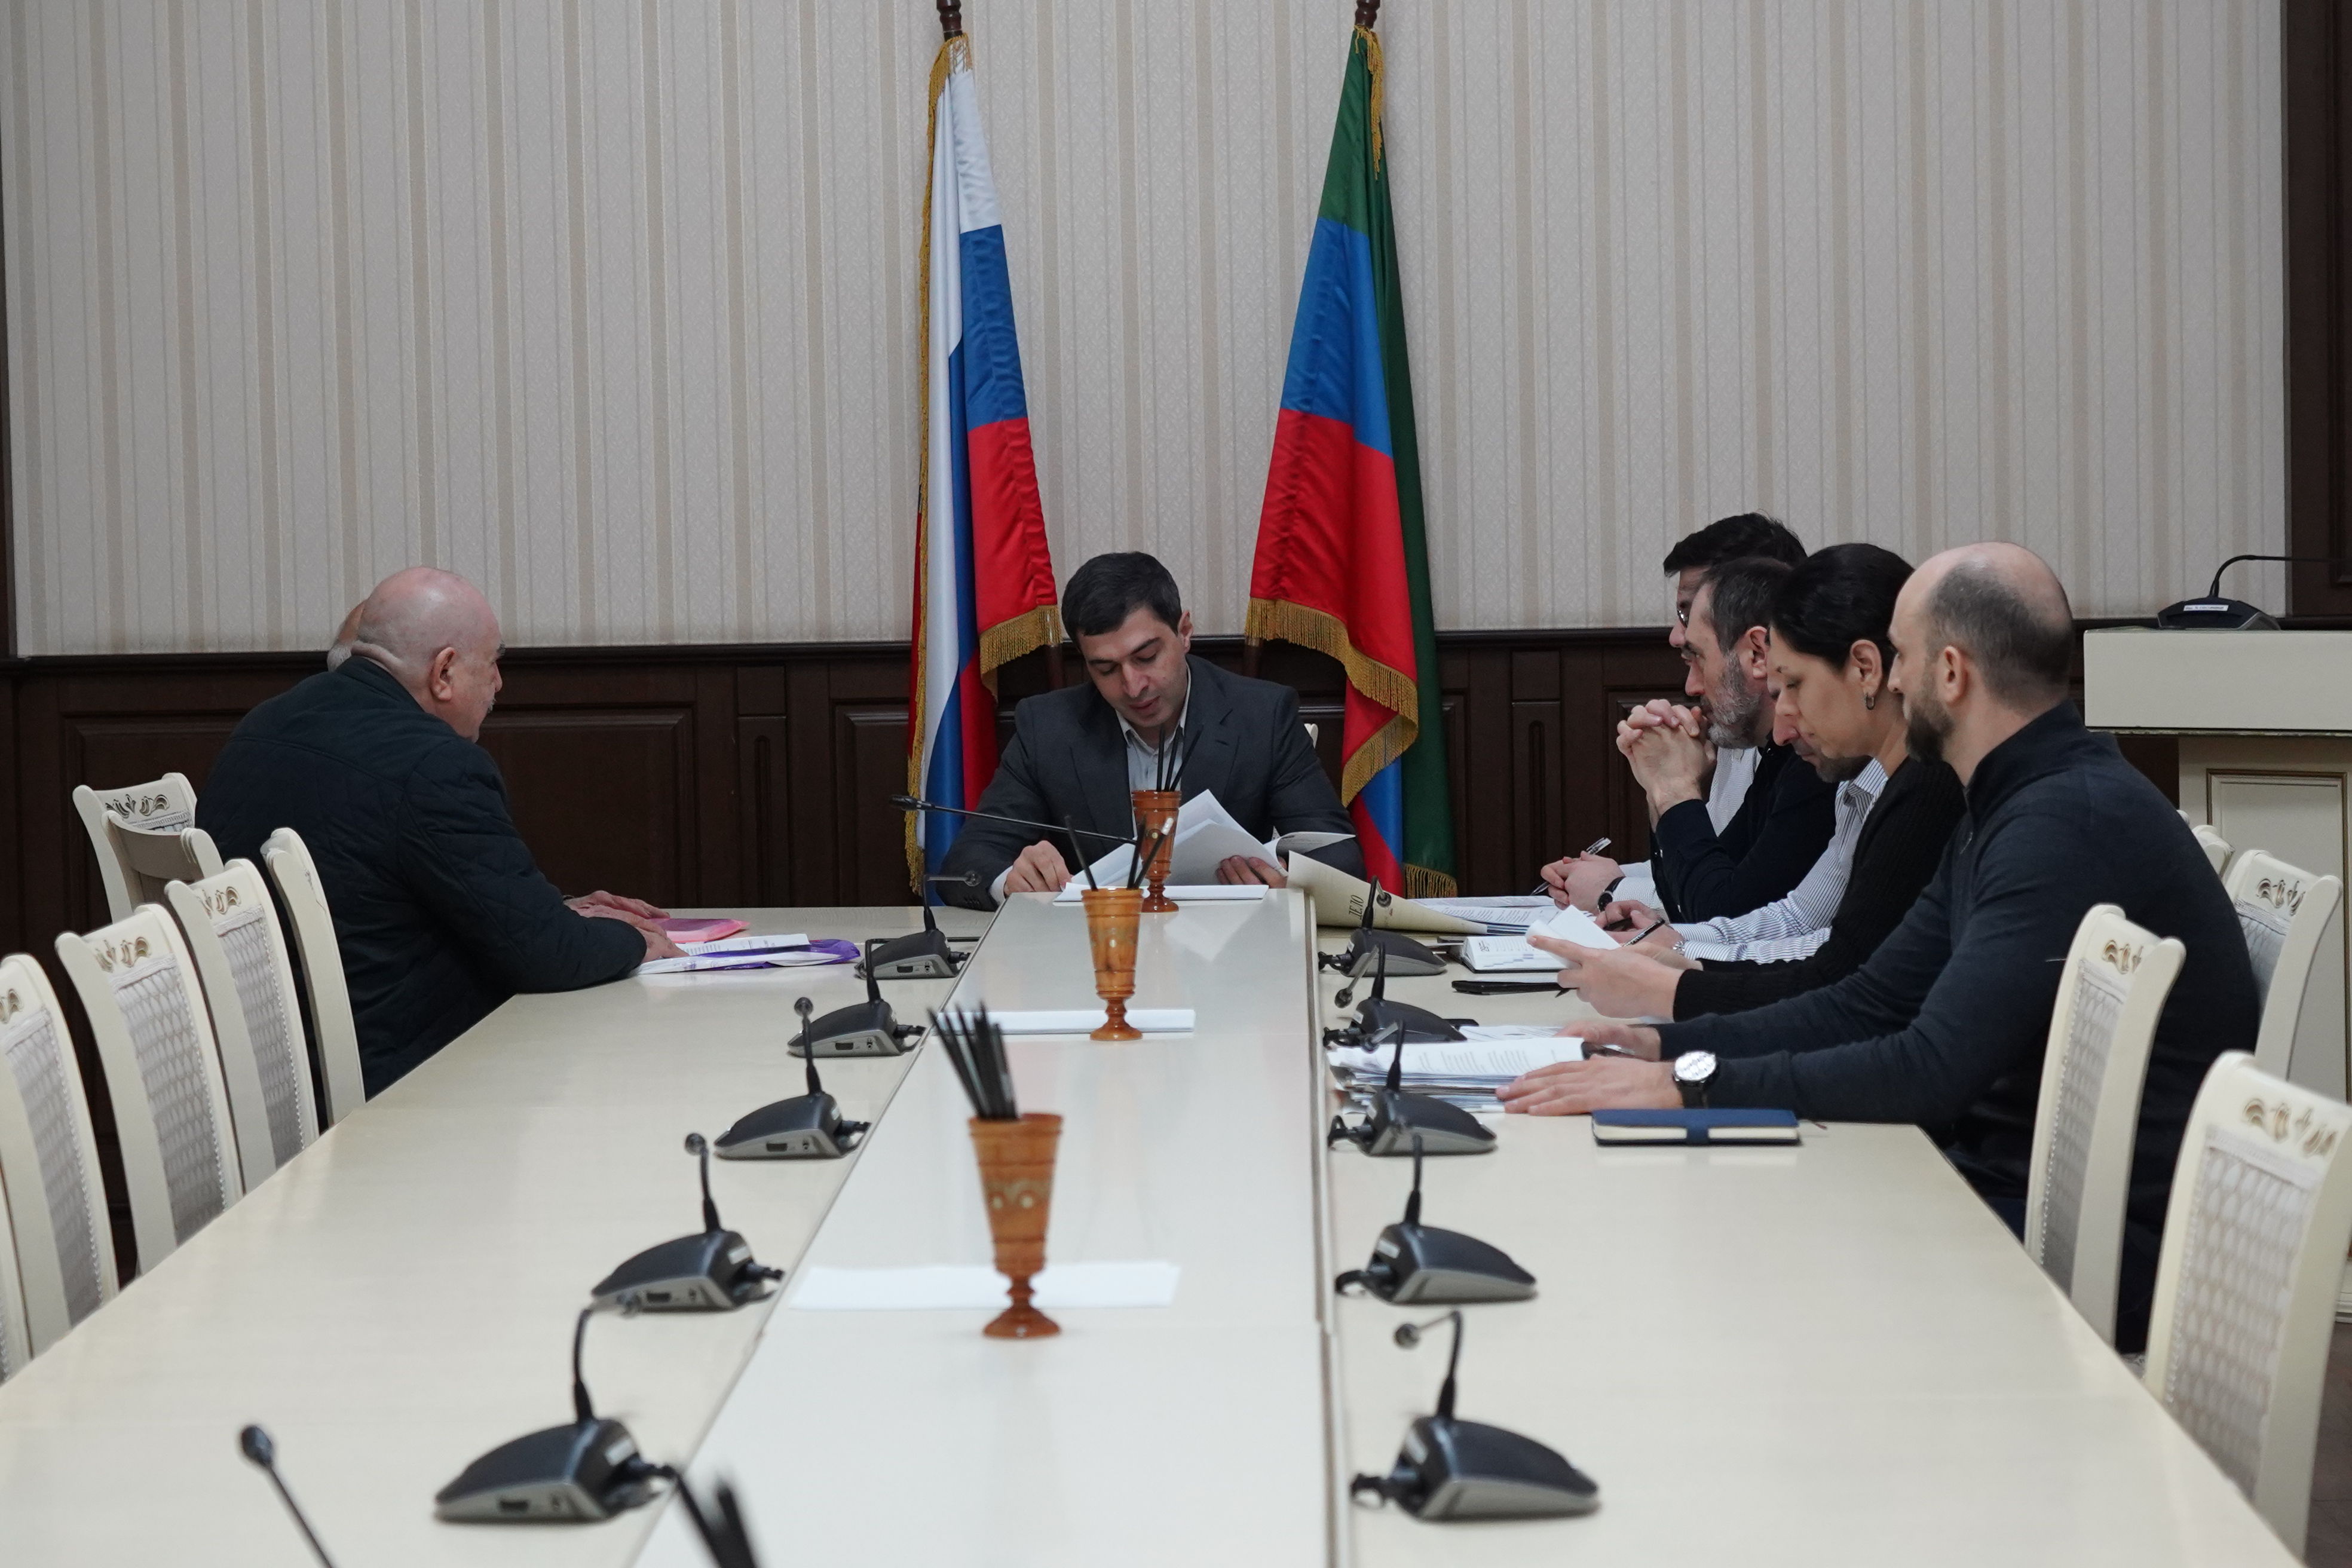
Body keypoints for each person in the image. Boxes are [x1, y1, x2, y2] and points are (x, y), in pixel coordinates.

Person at [1497, 543, 2258, 1353]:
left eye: (1901, 656)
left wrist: (1684, 1088)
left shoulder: (2058, 822)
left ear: (1951, 674)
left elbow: (1929, 1066)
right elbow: (1869, 1000)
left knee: (1719, 1248)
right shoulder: (2012, 800)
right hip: (2009, 1193)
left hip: (2081, 1249)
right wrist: (1664, 1048)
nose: (1889, 679)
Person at [199, 568, 682, 1097]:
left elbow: (395, 894)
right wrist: (633, 940)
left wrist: (553, 914)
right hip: (403, 1082)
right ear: (444, 671)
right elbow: (545, 957)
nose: (499, 684)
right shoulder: (434, 763)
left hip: (272, 1075)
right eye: (493, 663)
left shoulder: (262, 725)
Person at [1535, 543, 1965, 1021]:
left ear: (1867, 669)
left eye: (1793, 686)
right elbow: (1802, 922)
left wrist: (1678, 988)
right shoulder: (1858, 780)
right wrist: (1675, 947)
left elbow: (1842, 975)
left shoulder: (1926, 788)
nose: (1782, 727)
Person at [935, 552, 1364, 906]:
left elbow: (1340, 853)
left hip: (1229, 949)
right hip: (1091, 954)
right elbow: (965, 863)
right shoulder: (1048, 727)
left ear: (1184, 632)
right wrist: (1010, 881)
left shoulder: (1262, 715)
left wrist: (1285, 882)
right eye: (1106, 669)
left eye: (1146, 657)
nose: (1133, 686)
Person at [1542, 512, 1806, 910]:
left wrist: (1613, 890)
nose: (1675, 635)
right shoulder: (1752, 732)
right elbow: (1711, 876)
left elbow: (1727, 905)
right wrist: (1661, 786)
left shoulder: (1813, 756)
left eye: (1692, 611)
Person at [1625, 556, 1836, 921]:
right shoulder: (1778, 756)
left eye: (1698, 658)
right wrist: (1658, 783)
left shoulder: (1820, 761)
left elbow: (1723, 912)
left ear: (1757, 653)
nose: (1691, 687)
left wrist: (1674, 788)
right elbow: (1687, 902)